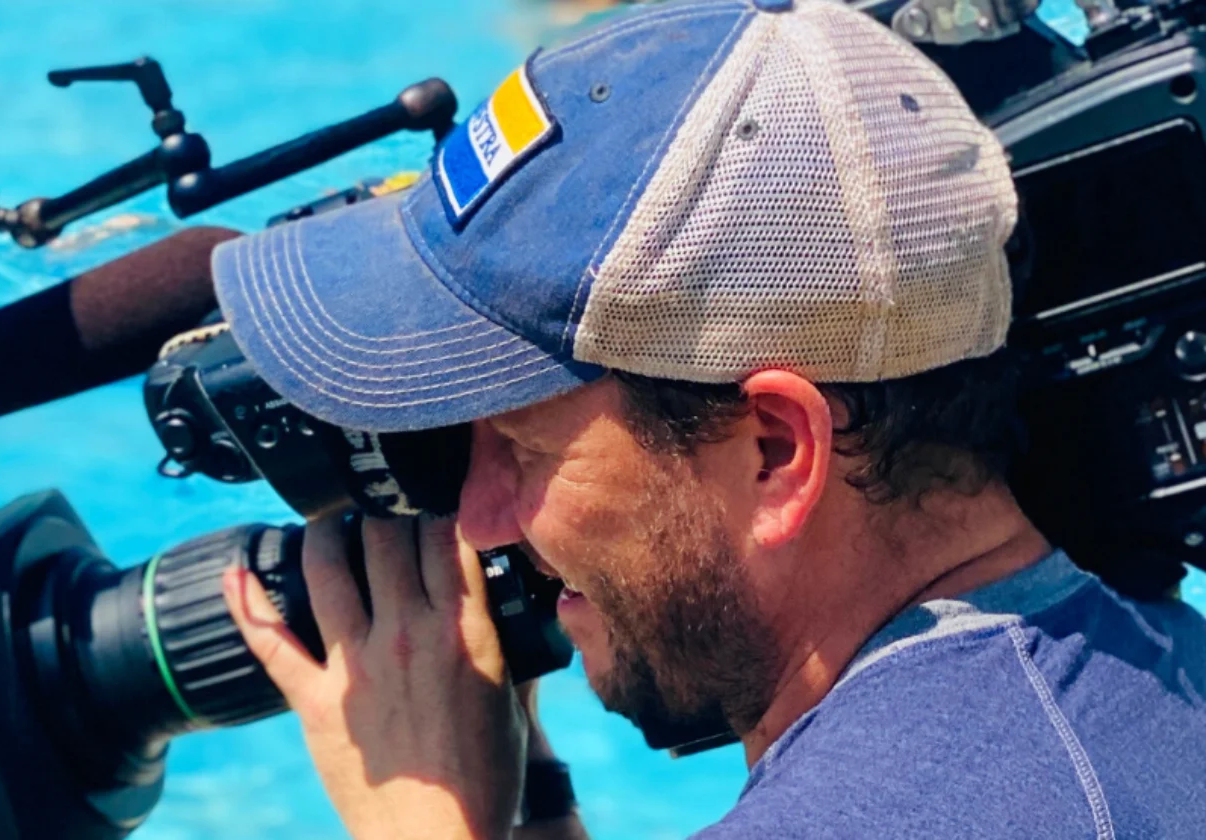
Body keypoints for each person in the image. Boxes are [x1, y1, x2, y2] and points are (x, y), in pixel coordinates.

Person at [211, 0, 1206, 836]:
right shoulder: (1149, 667)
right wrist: (525, 795)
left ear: (776, 451)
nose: (475, 520)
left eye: (516, 441)